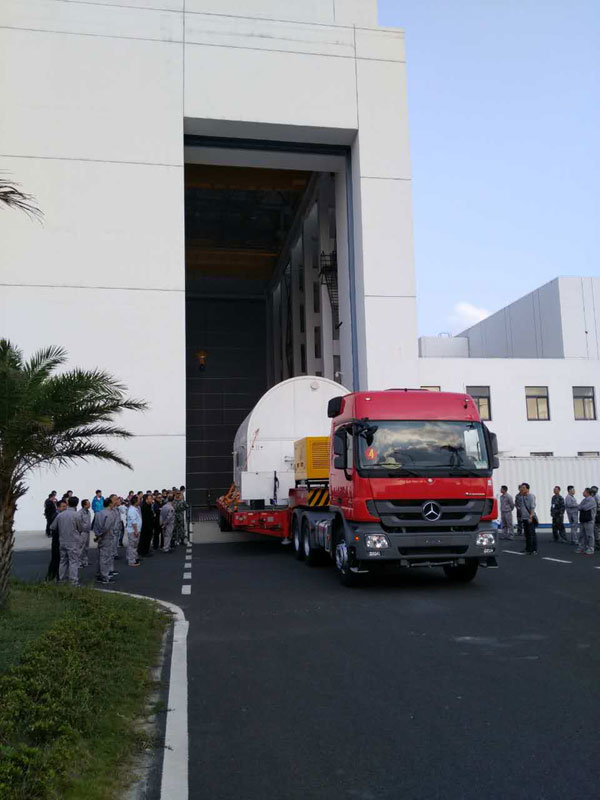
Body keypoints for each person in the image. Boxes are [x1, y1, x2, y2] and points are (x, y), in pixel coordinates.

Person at [50, 496, 83, 586]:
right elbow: (80, 528)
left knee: (63, 561)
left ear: (68, 503)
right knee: (73, 561)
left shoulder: (60, 515)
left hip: (62, 540)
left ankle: (61, 579)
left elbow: (52, 527)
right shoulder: (77, 515)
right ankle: (73, 581)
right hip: (73, 541)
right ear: (77, 504)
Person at [93, 497, 116, 584]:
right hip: (106, 537)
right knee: (105, 557)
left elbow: (95, 526)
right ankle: (104, 576)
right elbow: (107, 527)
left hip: (100, 537)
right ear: (110, 504)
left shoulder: (99, 513)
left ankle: (99, 574)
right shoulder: (110, 514)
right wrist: (100, 535)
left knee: (100, 556)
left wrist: (97, 535)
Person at [46, 499, 67, 580]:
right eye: (63, 507)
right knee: (55, 560)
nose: (65, 508)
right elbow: (53, 528)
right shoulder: (56, 516)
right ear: (58, 507)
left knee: (59, 560)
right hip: (57, 541)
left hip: (60, 541)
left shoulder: (61, 515)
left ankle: (56, 576)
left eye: (66, 506)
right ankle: (51, 577)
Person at [516, 483, 537, 555]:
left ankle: (534, 550)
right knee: (527, 534)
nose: (522, 489)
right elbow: (521, 507)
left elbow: (532, 507)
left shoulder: (531, 496)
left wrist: (531, 517)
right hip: (524, 518)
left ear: (527, 489)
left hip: (529, 518)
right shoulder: (521, 497)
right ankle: (528, 549)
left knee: (532, 534)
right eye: (521, 487)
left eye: (524, 487)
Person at [576, 488, 596, 556]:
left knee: (590, 535)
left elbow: (584, 507)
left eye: (584, 491)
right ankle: (582, 547)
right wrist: (581, 506)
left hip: (589, 520)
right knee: (582, 534)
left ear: (587, 492)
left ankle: (591, 548)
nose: (583, 492)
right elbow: (578, 507)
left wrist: (581, 506)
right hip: (583, 519)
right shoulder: (584, 500)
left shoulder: (591, 500)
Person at [126, 494, 142, 567]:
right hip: (133, 531)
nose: (140, 501)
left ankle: (134, 558)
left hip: (135, 530)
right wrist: (136, 531)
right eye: (139, 500)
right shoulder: (132, 510)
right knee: (132, 546)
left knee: (134, 546)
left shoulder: (135, 508)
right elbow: (133, 521)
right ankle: (131, 561)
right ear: (135, 501)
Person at [77, 498, 92, 568]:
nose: (90, 505)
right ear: (84, 505)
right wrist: (81, 530)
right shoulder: (80, 513)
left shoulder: (88, 512)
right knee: (81, 547)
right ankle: (78, 562)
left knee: (86, 547)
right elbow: (79, 523)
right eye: (88, 504)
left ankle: (85, 561)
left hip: (88, 531)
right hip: (82, 532)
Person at [590, 486, 600, 551]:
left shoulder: (596, 497)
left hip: (597, 515)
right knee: (596, 530)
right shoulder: (595, 497)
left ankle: (598, 545)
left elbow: (598, 506)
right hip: (596, 515)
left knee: (596, 530)